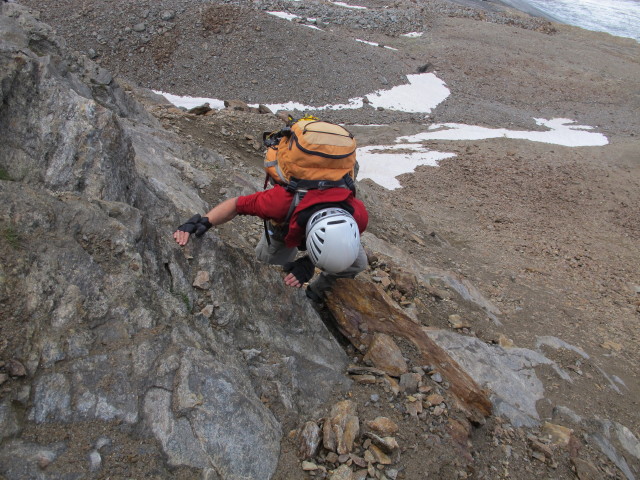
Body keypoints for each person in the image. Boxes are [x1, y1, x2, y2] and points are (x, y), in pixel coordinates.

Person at [173, 182, 368, 300]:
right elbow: (235, 205)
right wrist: (204, 222)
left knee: (357, 263)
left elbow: (338, 246)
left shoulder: (358, 216)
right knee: (272, 269)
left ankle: (316, 295)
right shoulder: (278, 203)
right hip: (286, 225)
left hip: (319, 222)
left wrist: (308, 263)